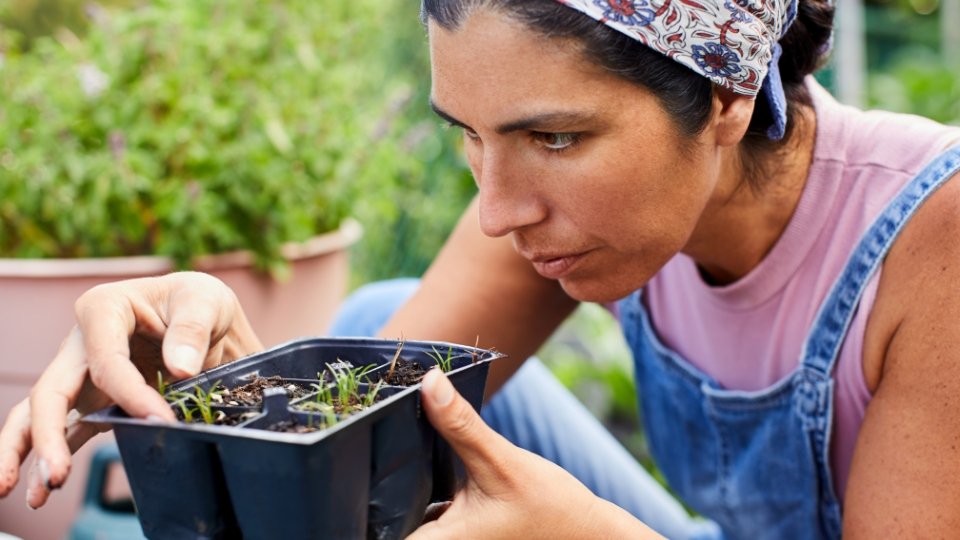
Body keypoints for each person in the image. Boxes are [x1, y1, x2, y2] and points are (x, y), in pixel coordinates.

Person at [2, 0, 959, 537]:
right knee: (401, 342)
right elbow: (361, 435)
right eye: (469, 135)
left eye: (554, 136)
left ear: (725, 98)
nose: (498, 212)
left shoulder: (935, 239)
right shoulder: (594, 209)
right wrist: (220, 374)